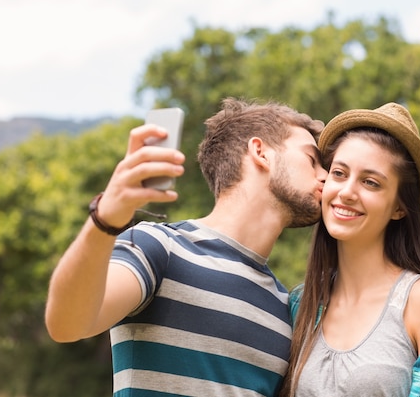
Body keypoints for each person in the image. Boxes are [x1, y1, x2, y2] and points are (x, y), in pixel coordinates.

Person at [45, 98, 328, 397]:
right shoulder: (160, 247)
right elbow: (66, 325)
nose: (325, 176)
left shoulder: (285, 307)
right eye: (312, 160)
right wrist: (104, 220)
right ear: (261, 152)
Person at [281, 103, 420, 397]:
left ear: (399, 208)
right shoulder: (301, 305)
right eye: (339, 173)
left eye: (370, 182)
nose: (347, 191)